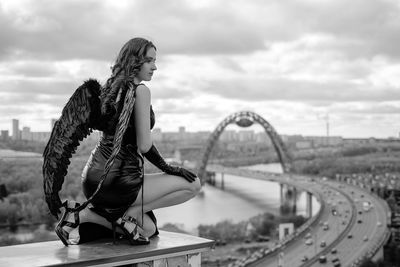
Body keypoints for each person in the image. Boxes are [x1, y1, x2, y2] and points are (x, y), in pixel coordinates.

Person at [42, 37, 201, 246]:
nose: (155, 67)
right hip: (120, 182)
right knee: (193, 184)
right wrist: (169, 167)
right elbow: (144, 145)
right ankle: (113, 215)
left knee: (149, 229)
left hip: (93, 180)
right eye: (149, 61)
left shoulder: (109, 89)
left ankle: (88, 215)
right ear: (134, 61)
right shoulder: (141, 91)